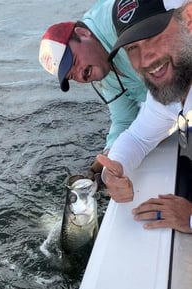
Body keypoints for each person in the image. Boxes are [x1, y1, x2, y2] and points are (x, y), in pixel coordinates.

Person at [97, 0, 192, 233]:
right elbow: (138, 137)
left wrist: (189, 219)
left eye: (154, 36)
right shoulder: (171, 90)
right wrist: (114, 171)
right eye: (132, 48)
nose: (145, 59)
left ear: (189, 21)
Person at [39, 0, 147, 181]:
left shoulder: (120, 22)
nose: (82, 75)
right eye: (72, 77)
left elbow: (166, 92)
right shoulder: (99, 65)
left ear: (83, 33)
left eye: (74, 62)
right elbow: (124, 119)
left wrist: (122, 152)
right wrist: (106, 159)